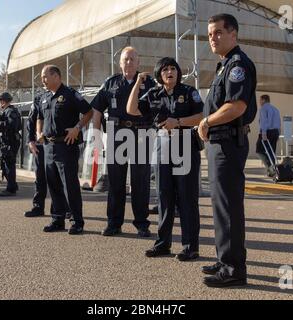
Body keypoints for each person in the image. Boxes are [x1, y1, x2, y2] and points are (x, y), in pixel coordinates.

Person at [198, 14, 257, 287]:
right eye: (210, 34)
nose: (213, 37)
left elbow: (237, 106)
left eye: (218, 32)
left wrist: (207, 121)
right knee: (221, 206)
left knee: (229, 206)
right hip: (220, 142)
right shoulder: (223, 66)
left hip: (229, 142)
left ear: (233, 34)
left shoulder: (237, 65)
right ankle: (225, 260)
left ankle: (234, 269)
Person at [127, 57, 204, 261]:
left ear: (178, 72)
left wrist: (177, 121)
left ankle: (190, 246)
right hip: (162, 146)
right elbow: (131, 109)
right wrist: (137, 84)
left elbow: (201, 116)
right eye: (165, 69)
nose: (170, 72)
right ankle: (163, 244)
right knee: (164, 197)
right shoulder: (153, 94)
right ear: (159, 75)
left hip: (186, 144)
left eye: (173, 69)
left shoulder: (189, 92)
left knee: (187, 198)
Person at [91, 47, 155, 237]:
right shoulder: (110, 83)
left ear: (138, 62)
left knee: (140, 181)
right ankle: (114, 223)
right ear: (120, 63)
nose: (129, 63)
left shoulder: (149, 83)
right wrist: (96, 137)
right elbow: (96, 111)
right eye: (125, 59)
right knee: (116, 181)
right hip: (116, 133)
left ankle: (142, 224)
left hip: (142, 134)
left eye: (132, 59)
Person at [36, 65, 93, 235]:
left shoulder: (70, 94)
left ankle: (77, 221)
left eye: (45, 77)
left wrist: (77, 128)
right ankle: (57, 219)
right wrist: (38, 132)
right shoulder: (44, 97)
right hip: (48, 146)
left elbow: (88, 112)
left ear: (56, 76)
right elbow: (39, 116)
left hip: (66, 146)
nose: (43, 80)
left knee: (70, 185)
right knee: (53, 185)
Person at [25, 94, 55, 218]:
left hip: (56, 144)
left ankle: (62, 209)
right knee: (40, 177)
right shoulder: (39, 98)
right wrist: (30, 140)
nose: (44, 80)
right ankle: (38, 206)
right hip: (41, 144)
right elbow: (31, 120)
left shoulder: (65, 94)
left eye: (46, 77)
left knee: (57, 179)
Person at [0, 92, 22, 197]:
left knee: (9, 165)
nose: (0, 103)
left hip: (10, 142)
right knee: (5, 165)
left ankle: (11, 189)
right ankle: (12, 185)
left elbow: (14, 125)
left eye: (0, 101)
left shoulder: (11, 111)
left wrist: (2, 124)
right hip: (5, 142)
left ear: (3, 101)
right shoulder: (6, 111)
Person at [255, 95, 281, 175]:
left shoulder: (263, 108)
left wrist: (264, 133)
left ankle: (270, 167)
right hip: (275, 132)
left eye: (260, 100)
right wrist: (278, 133)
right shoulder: (275, 109)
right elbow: (279, 122)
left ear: (263, 100)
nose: (259, 102)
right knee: (271, 151)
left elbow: (264, 122)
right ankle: (272, 171)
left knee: (259, 150)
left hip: (267, 132)